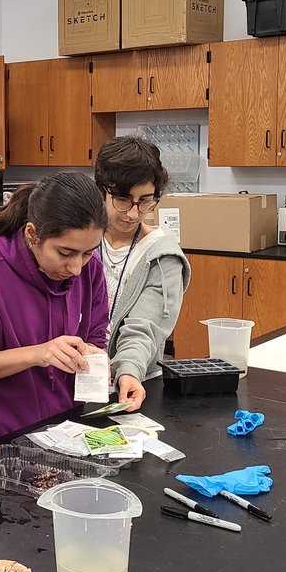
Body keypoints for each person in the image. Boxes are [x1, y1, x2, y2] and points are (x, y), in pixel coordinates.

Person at [0, 172, 109, 439]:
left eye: (88, 252)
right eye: (65, 253)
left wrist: (94, 358)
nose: (76, 268)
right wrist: (37, 354)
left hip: (66, 431)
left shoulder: (90, 269)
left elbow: (95, 338)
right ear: (32, 234)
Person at [95, 137, 190, 411]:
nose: (134, 213)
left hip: (134, 385)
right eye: (123, 200)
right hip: (76, 380)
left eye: (146, 202)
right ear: (102, 190)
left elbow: (144, 328)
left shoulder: (162, 256)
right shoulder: (80, 242)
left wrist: (128, 371)